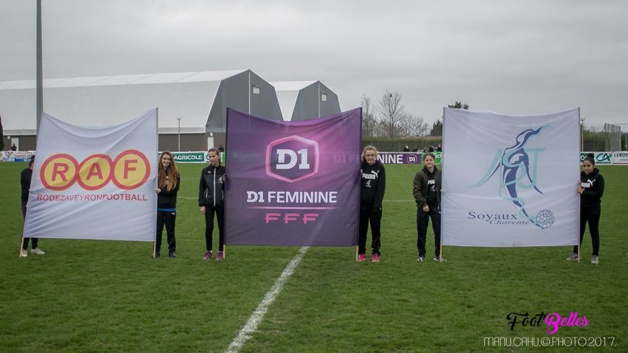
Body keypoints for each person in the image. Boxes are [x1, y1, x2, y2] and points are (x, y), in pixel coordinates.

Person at [568, 154, 605, 264]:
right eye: (584, 166)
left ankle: (595, 255)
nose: (586, 168)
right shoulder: (579, 176)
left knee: (594, 231)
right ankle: (575, 253)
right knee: (579, 231)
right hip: (581, 208)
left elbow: (599, 193)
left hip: (593, 209)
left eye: (588, 166)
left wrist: (584, 192)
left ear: (593, 166)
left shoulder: (599, 178)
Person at [413, 152, 443, 262]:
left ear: (434, 161)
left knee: (438, 231)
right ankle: (421, 255)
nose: (429, 162)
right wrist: (423, 204)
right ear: (424, 161)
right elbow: (416, 191)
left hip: (436, 206)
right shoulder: (420, 174)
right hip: (423, 207)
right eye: (427, 160)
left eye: (431, 160)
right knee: (421, 231)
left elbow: (444, 188)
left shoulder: (439, 173)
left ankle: (438, 255)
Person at [358, 146, 386, 262]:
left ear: (375, 156)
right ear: (364, 156)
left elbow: (381, 187)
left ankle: (375, 252)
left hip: (375, 207)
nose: (370, 157)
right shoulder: (360, 167)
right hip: (361, 206)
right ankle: (361, 252)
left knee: (375, 231)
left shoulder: (380, 168)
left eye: (372, 155)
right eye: (368, 155)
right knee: (361, 230)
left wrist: (377, 205)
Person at [199, 147, 226, 260]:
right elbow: (202, 188)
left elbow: (230, 189)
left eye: (213, 156)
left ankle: (220, 251)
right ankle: (208, 251)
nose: (211, 158)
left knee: (222, 228)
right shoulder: (205, 171)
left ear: (218, 156)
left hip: (221, 204)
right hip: (209, 204)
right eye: (209, 156)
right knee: (209, 227)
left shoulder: (225, 171)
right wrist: (201, 204)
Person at [155, 151, 180, 258]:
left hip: (170, 207)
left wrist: (161, 190)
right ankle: (156, 250)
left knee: (170, 231)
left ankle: (172, 250)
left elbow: (174, 189)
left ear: (171, 161)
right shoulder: (155, 173)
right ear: (161, 160)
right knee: (157, 231)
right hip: (158, 207)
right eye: (164, 159)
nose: (166, 161)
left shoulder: (175, 174)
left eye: (168, 159)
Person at [20, 157, 44, 257]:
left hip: (36, 201)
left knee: (36, 225)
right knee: (28, 224)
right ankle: (24, 248)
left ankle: (34, 247)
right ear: (32, 164)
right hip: (27, 201)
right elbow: (33, 183)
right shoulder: (25, 173)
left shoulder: (37, 174)